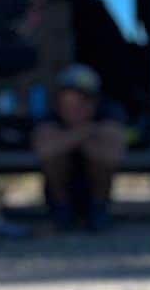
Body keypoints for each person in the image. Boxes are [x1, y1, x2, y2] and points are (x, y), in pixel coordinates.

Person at [32, 63, 126, 230]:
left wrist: (69, 139)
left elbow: (113, 155)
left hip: (94, 188)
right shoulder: (51, 116)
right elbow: (44, 151)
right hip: (61, 191)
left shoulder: (110, 112)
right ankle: (62, 212)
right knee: (54, 158)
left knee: (102, 160)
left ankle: (98, 210)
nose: (74, 109)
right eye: (68, 103)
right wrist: (85, 132)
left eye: (81, 101)